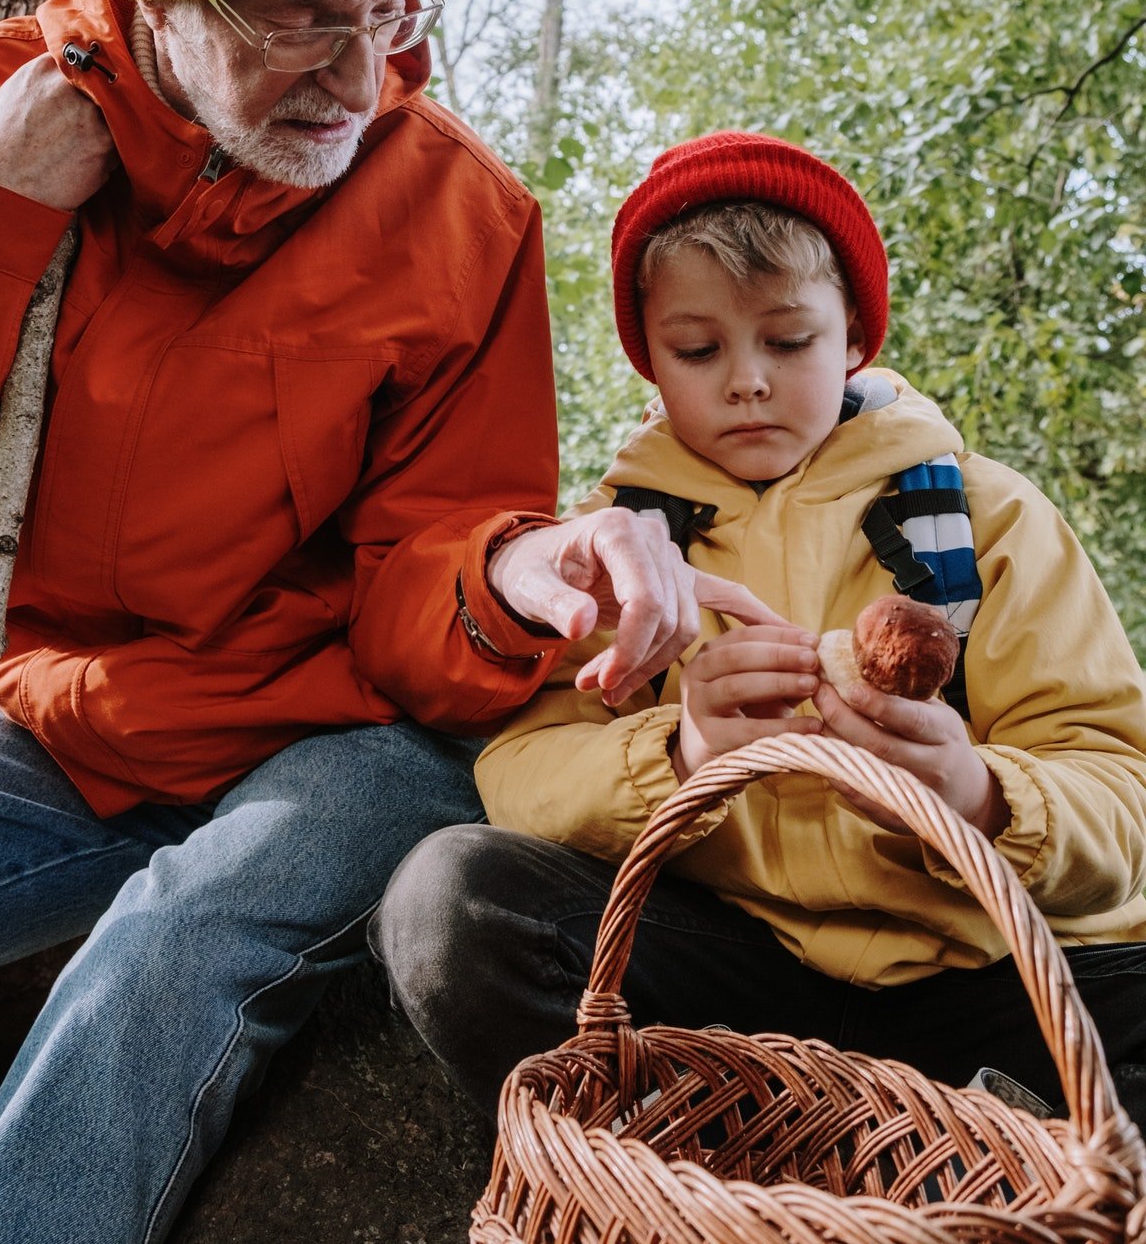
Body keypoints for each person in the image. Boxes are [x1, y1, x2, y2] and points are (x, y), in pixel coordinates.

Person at [0, 0, 705, 1244]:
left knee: (173, 935)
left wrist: (514, 567)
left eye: (391, 14)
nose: (363, 78)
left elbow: (424, 576)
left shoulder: (461, 209)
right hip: (75, 724)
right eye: (306, 29)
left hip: (343, 727)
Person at [376, 129, 1146, 1126]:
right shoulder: (620, 543)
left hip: (987, 972)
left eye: (787, 340)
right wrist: (679, 751)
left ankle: (957, 1150)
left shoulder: (989, 519)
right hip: (730, 968)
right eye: (697, 349)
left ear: (854, 337)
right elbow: (519, 774)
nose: (744, 379)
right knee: (451, 896)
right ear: (650, 358)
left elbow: (1120, 790)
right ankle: (662, 1183)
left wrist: (979, 793)